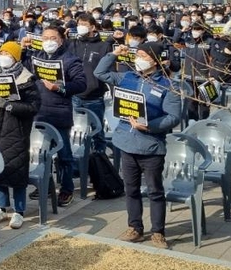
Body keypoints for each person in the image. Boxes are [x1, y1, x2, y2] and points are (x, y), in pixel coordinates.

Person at [95, 42, 183, 249]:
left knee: (154, 191)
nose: (139, 58)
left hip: (151, 145)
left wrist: (149, 126)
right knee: (131, 188)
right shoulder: (126, 77)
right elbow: (100, 72)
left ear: (155, 60)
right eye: (138, 54)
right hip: (126, 142)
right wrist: (114, 54)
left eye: (144, 55)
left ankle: (158, 232)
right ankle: (135, 227)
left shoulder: (168, 86)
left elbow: (174, 117)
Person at [0, 41, 39, 230]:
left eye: (8, 54)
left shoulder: (26, 80)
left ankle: (19, 211)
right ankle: (1, 207)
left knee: (16, 171)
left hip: (14, 133)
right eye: (1, 53)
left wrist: (10, 105)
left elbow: (33, 107)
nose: (3, 57)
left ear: (16, 58)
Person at [23, 24, 87, 207]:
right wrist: (23, 50)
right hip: (39, 112)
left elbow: (81, 84)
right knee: (40, 153)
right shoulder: (37, 57)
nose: (49, 42)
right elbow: (24, 69)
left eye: (53, 38)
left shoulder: (70, 60)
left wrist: (60, 87)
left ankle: (66, 189)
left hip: (59, 113)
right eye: (45, 38)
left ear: (61, 40)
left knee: (64, 155)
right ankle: (45, 185)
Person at [69, 14, 113, 154]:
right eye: (79, 24)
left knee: (96, 131)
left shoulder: (103, 46)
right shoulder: (73, 44)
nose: (80, 26)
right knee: (75, 131)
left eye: (84, 24)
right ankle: (77, 160)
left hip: (94, 96)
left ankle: (99, 159)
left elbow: (109, 70)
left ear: (92, 27)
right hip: (74, 94)